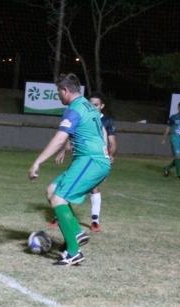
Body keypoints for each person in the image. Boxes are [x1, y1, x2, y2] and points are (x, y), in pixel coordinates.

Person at [28, 73, 111, 266]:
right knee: (51, 191)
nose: (59, 96)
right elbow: (103, 131)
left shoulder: (74, 110)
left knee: (58, 198)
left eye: (59, 92)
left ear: (65, 91)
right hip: (93, 160)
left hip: (90, 160)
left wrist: (37, 162)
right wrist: (105, 157)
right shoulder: (89, 106)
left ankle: (74, 252)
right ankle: (76, 232)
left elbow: (59, 140)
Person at [52, 91, 117, 233]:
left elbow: (112, 143)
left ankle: (94, 220)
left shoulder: (106, 121)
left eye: (96, 104)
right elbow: (71, 136)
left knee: (92, 187)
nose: (93, 107)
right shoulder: (83, 114)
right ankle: (63, 215)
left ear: (102, 106)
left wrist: (109, 154)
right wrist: (63, 150)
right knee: (67, 184)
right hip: (80, 157)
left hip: (94, 159)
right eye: (90, 103)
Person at [161, 101, 180, 180]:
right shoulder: (173, 117)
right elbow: (168, 128)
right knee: (177, 156)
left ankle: (167, 168)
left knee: (179, 158)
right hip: (175, 139)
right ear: (178, 108)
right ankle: (178, 175)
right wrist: (164, 139)